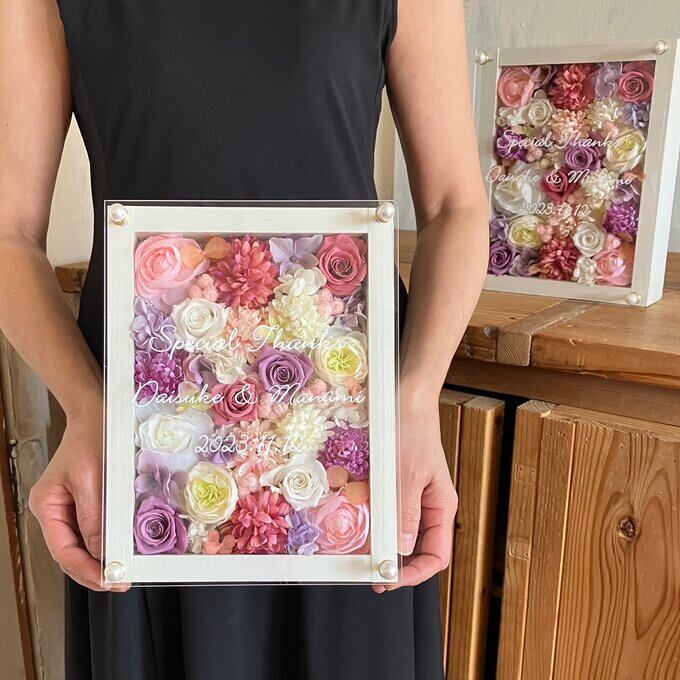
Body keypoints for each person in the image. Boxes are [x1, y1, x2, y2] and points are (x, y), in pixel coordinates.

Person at [0, 0, 488, 677]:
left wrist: (413, 402)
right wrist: (87, 409)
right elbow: (10, 234)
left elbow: (455, 207)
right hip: (142, 430)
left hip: (349, 427)